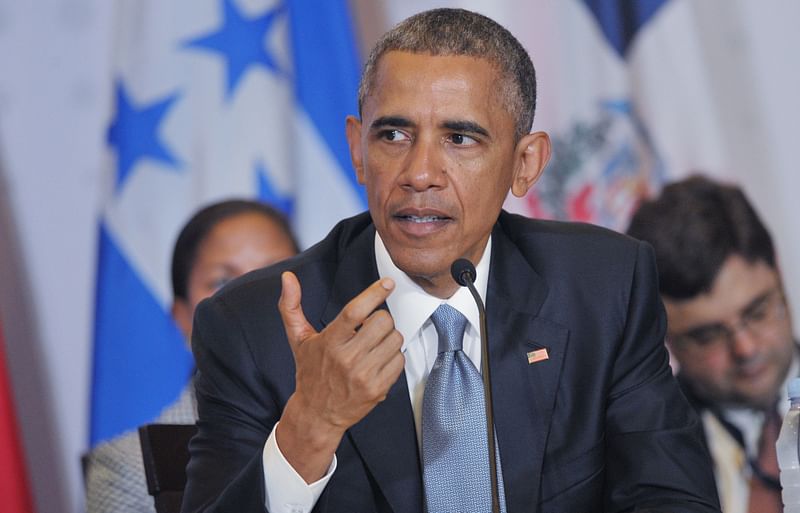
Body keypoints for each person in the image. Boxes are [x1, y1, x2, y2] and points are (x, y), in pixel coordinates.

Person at [182, 9, 720, 513]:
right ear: (357, 149)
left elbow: (671, 498)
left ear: (525, 163)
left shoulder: (602, 288)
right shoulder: (252, 326)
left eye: (459, 138)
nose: (420, 173)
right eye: (393, 135)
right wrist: (309, 429)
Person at [85, 199, 298, 513]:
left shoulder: (366, 430)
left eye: (274, 272)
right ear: (182, 317)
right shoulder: (129, 467)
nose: (251, 297)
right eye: (222, 281)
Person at [627, 175, 795, 513]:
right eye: (707, 335)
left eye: (757, 311)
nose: (745, 348)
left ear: (777, 270)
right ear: (663, 336)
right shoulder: (641, 461)